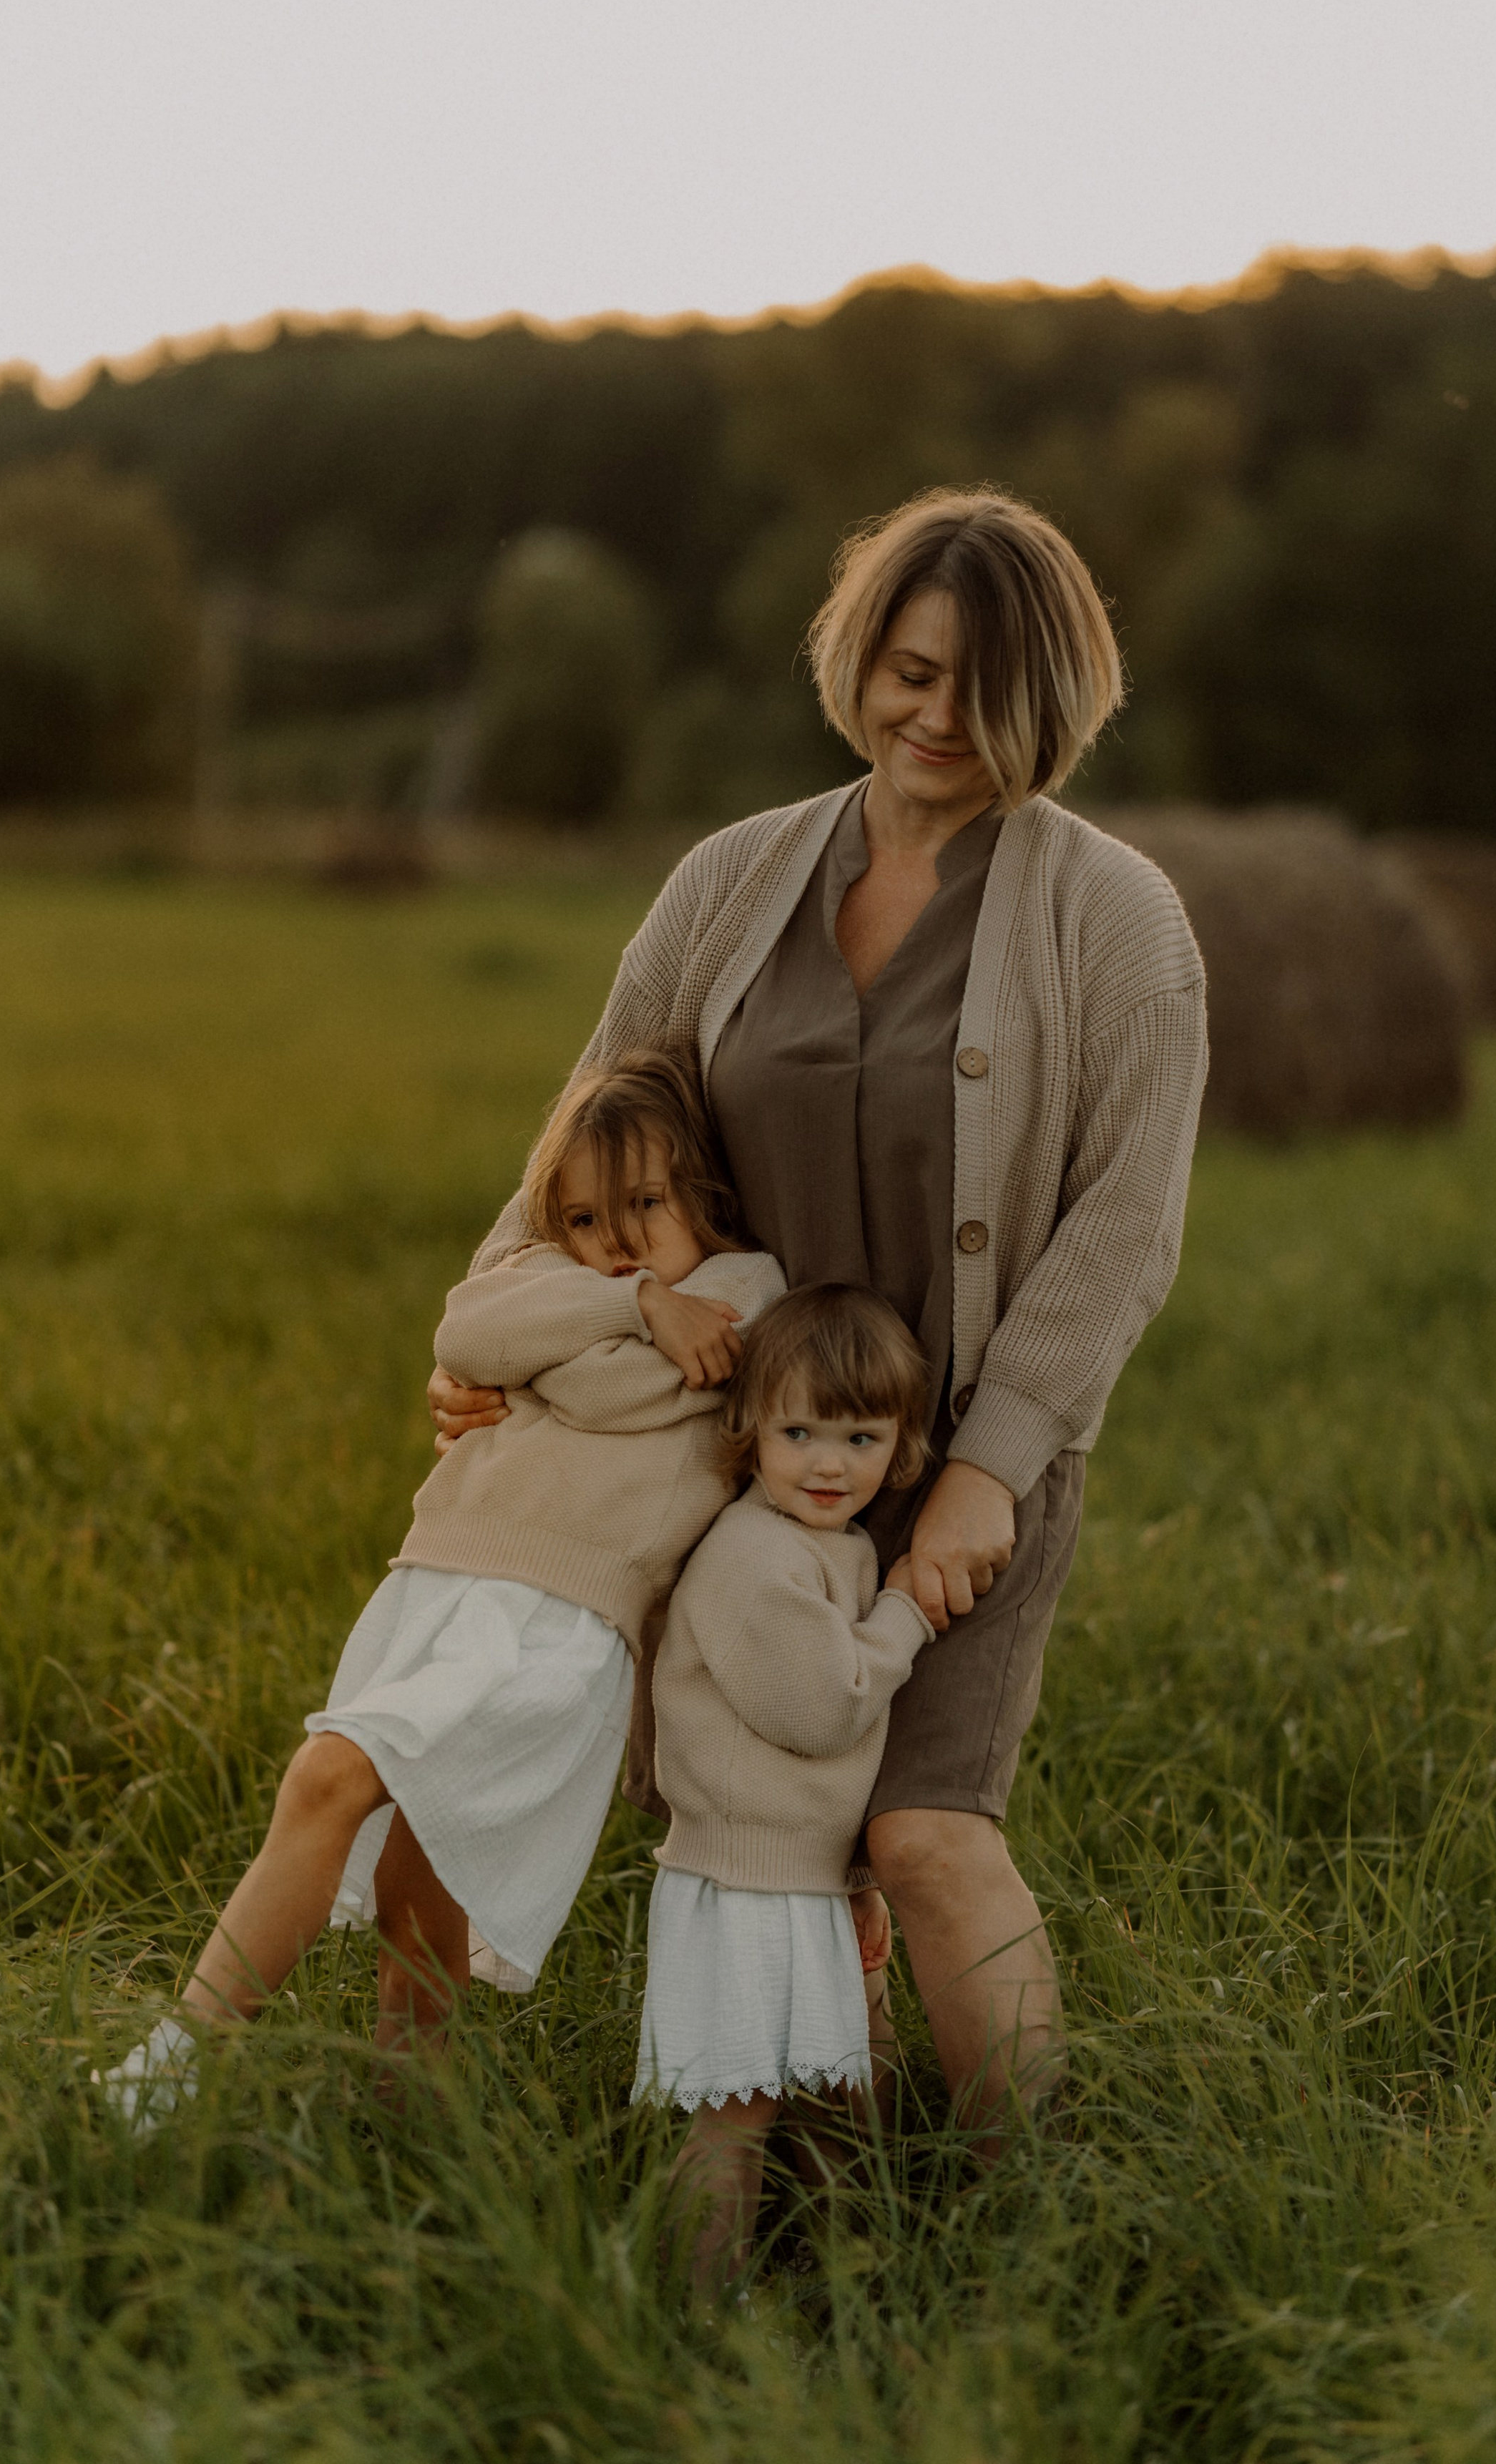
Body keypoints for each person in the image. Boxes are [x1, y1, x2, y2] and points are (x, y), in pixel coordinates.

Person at [433, 486, 1208, 2145]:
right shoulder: (731, 880)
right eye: (907, 670)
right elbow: (596, 1122)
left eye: (980, 689)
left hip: (957, 1463)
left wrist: (994, 1463)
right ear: (859, 657)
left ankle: (1036, 2206)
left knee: (923, 1832)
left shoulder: (1117, 920)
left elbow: (1123, 1226)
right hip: (725, 1448)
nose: (934, 718)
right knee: (760, 1822)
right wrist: (490, 1327)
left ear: (1052, 699)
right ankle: (812, 2166)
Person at [101, 1050, 783, 2127]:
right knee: (420, 1905)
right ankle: (406, 2129)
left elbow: (607, 1390)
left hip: (557, 1623)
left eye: (647, 1208)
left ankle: (168, 2072)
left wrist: (579, 1331)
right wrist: (643, 1299)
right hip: (438, 1589)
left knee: (328, 1780)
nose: (614, 1246)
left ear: (704, 1191)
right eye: (585, 1221)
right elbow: (468, 1331)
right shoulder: (624, 1287)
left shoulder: (745, 1289)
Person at [633, 1284, 940, 2292]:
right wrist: (904, 1613)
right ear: (751, 1432)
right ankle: (693, 2312)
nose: (826, 1463)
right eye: (799, 1430)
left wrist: (856, 1877)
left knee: (842, 2092)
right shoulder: (755, 1556)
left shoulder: (835, 1548)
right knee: (735, 2116)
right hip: (744, 1882)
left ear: (899, 1447)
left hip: (800, 1875)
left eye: (859, 1437)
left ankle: (845, 2285)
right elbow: (823, 1709)